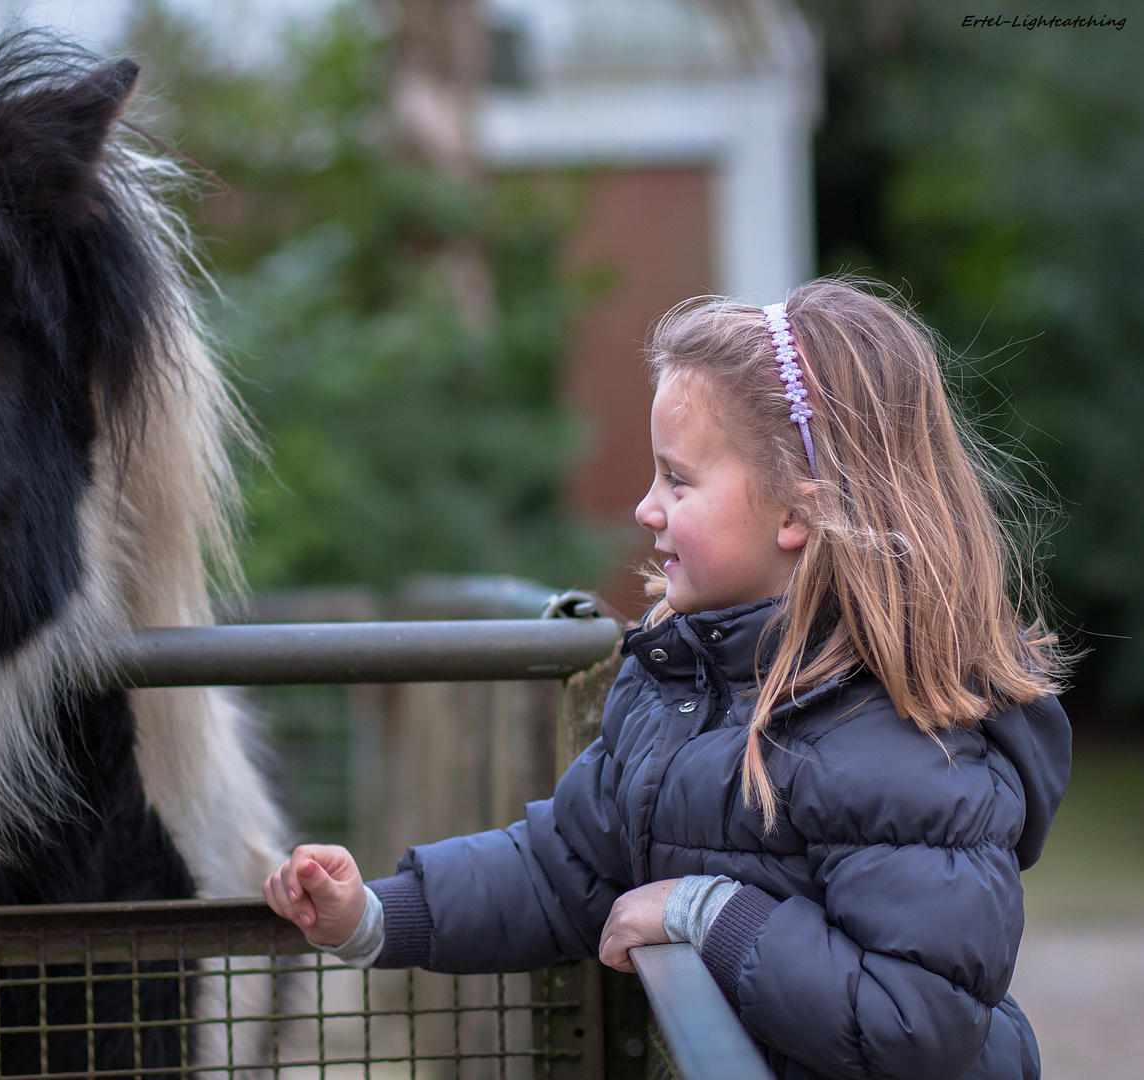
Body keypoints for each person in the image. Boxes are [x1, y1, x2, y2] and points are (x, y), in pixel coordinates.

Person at [262, 279, 1071, 1080]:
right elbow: (564, 867)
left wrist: (704, 914)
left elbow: (916, 1023)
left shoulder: (904, 745)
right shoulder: (677, 686)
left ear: (797, 512)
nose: (647, 509)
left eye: (677, 481)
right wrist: (376, 915)